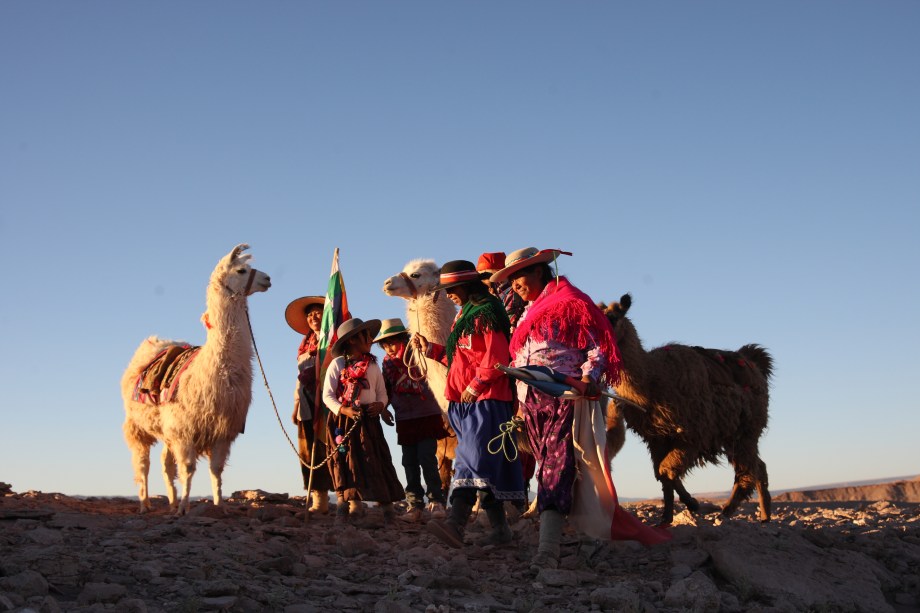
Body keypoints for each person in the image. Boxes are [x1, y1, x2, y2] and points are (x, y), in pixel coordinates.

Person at [490, 247, 671, 570]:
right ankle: (572, 533)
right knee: (546, 459)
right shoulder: (528, 314)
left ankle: (548, 548)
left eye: (520, 276)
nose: (516, 284)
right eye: (512, 279)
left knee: (556, 465)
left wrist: (589, 377)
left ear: (540, 272)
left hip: (564, 394)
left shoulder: (571, 304)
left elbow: (599, 345)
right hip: (531, 396)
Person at [414, 260, 526, 548]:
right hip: (464, 400)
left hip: (485, 399)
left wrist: (476, 385)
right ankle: (501, 530)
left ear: (465, 286)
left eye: (451, 289)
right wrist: (431, 349)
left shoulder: (487, 313)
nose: (448, 295)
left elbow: (497, 356)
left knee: (469, 459)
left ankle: (456, 523)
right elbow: (460, 358)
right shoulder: (465, 315)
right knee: (482, 463)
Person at [321, 318, 405, 524]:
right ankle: (344, 507)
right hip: (343, 421)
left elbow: (381, 393)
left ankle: (387, 510)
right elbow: (327, 395)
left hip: (368, 420)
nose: (370, 339)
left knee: (374, 459)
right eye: (365, 336)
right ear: (351, 341)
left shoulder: (373, 365)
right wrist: (343, 410)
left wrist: (381, 405)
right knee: (345, 461)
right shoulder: (337, 364)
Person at [373, 318, 449, 522]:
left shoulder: (417, 354)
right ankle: (414, 504)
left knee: (427, 458)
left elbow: (434, 376)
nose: (389, 348)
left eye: (392, 342)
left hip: (426, 414)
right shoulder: (388, 364)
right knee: (409, 462)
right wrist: (384, 409)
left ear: (403, 339)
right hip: (405, 418)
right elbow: (386, 389)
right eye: (385, 344)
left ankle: (436, 501)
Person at [284, 296, 333, 514]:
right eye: (309, 314)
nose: (313, 317)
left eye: (318, 312)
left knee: (335, 447)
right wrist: (296, 405)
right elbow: (299, 377)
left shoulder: (334, 339)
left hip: (330, 403)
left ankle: (347, 497)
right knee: (309, 450)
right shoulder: (304, 345)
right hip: (306, 402)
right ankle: (319, 499)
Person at [476, 252, 525, 332]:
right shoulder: (489, 295)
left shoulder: (512, 293)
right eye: (481, 277)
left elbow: (508, 324)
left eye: (485, 276)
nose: (483, 281)